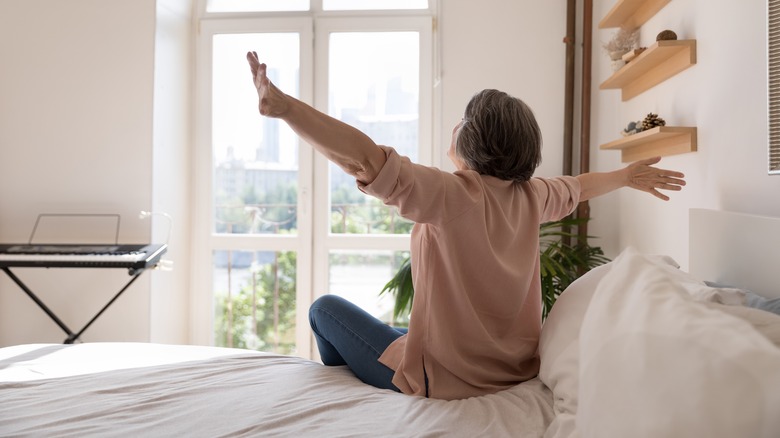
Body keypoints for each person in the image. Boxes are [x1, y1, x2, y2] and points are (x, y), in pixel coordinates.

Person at [246, 51, 686, 400]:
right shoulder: (532, 196)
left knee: (323, 309)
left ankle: (358, 400)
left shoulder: (451, 194)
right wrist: (626, 177)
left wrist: (286, 108)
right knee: (400, 329)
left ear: (470, 138)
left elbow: (363, 156)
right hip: (510, 370)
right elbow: (579, 187)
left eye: (463, 119)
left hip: (450, 378)